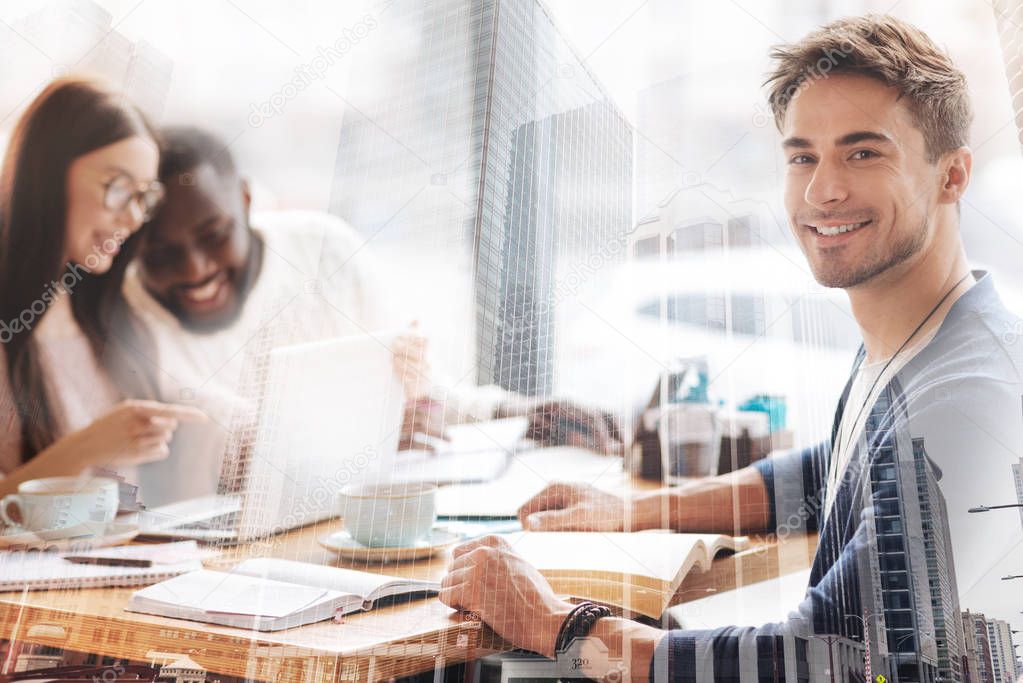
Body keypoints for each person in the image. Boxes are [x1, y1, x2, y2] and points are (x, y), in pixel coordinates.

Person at [438, 15, 1023, 681]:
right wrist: (632, 510)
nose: (820, 189)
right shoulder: (934, 348)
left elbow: (824, 659)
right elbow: (830, 466)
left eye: (863, 153)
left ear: (952, 175)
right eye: (802, 155)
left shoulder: (969, 397)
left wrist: (550, 623)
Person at [122, 126, 621, 506]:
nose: (196, 269)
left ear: (247, 201)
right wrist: (361, 432)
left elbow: (419, 399)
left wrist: (518, 414)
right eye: (162, 252)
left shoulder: (322, 250)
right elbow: (226, 454)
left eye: (213, 235)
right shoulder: (127, 316)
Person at [0, 78, 203, 499]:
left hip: (125, 554)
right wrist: (89, 446)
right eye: (117, 187)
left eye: (143, 196)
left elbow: (205, 404)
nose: (132, 219)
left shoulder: (106, 312)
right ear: (48, 176)